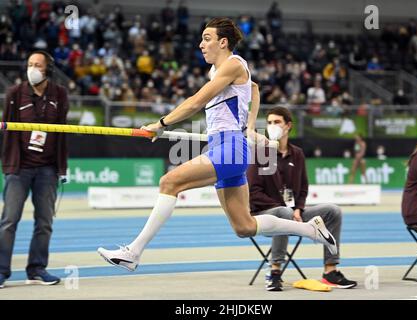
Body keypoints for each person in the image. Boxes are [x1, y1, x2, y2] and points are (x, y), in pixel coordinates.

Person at [97, 17, 337, 274]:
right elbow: (254, 89)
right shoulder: (219, 71)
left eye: (207, 39)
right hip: (221, 146)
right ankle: (311, 229)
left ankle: (133, 252)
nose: (201, 45)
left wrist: (161, 123)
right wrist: (249, 125)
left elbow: (195, 102)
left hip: (231, 149)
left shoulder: (233, 64)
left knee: (169, 182)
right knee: (244, 227)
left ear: (223, 42)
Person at [247, 106, 357, 291]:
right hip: (264, 214)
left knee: (333, 211)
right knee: (282, 213)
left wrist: (298, 209)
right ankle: (274, 272)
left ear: (288, 126)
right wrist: (287, 210)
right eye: (269, 122)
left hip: (293, 213)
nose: (272, 126)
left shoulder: (297, 154)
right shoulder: (261, 153)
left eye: (277, 122)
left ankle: (330, 271)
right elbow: (253, 192)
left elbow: (303, 187)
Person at [0, 50, 69, 289]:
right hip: (19, 169)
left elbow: (63, 135)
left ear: (48, 69)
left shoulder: (59, 94)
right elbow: (6, 132)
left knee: (44, 222)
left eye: (37, 65)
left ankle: (37, 269)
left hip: (48, 169)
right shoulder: (14, 94)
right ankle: (1, 271)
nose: (32, 69)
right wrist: (8, 165)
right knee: (9, 221)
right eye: (30, 64)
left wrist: (62, 168)